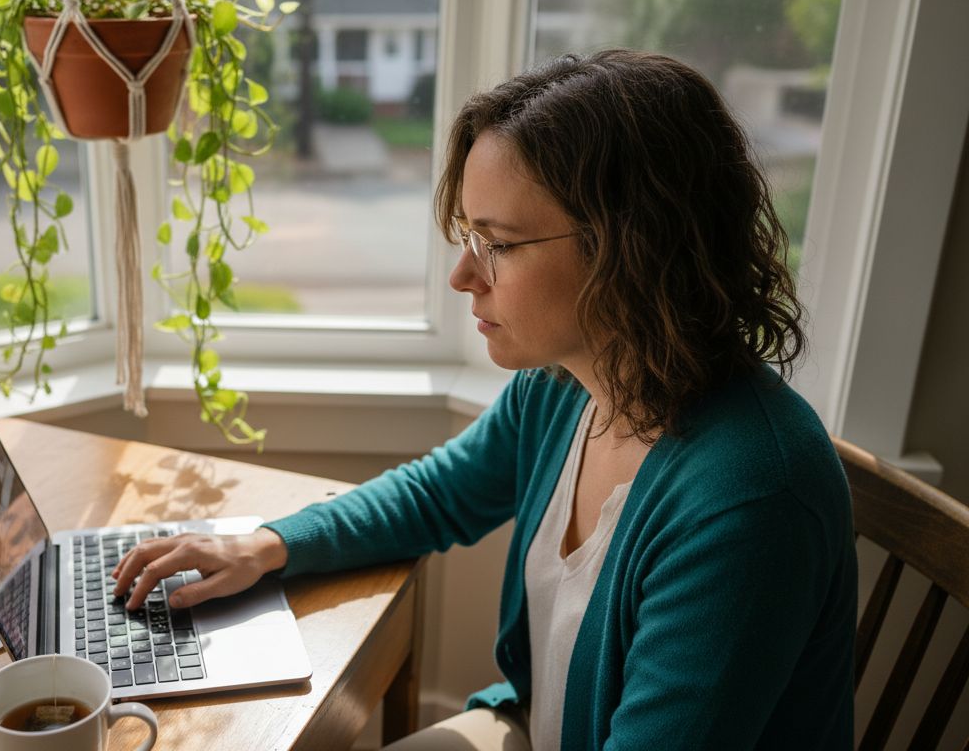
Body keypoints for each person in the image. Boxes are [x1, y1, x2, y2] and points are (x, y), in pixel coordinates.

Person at [111, 49, 856, 750]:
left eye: (496, 243)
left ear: (633, 248)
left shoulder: (750, 499)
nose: (463, 276)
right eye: (468, 234)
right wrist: (266, 544)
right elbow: (435, 495)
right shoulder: (567, 387)